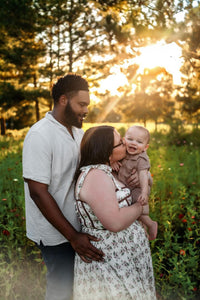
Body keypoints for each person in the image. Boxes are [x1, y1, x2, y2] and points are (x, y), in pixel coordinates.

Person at [22, 74, 104, 300]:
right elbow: (38, 192)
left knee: (81, 289)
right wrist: (73, 237)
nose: (86, 110)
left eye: (87, 105)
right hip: (56, 235)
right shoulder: (40, 135)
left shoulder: (78, 134)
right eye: (81, 104)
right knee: (61, 290)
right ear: (63, 100)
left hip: (80, 229)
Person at [73, 125, 156, 300]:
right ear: (107, 152)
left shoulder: (110, 170)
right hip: (110, 258)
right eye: (121, 143)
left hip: (125, 255)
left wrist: (147, 178)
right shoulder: (96, 176)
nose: (126, 144)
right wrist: (141, 207)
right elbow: (115, 222)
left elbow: (138, 181)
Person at [113, 125, 158, 240]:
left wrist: (144, 192)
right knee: (132, 213)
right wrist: (113, 161)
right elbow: (112, 158)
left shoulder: (141, 158)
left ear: (145, 147)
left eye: (139, 141)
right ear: (123, 140)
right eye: (130, 139)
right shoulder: (123, 152)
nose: (133, 143)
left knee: (138, 208)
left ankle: (150, 224)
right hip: (126, 188)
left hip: (137, 188)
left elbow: (143, 176)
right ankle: (143, 231)